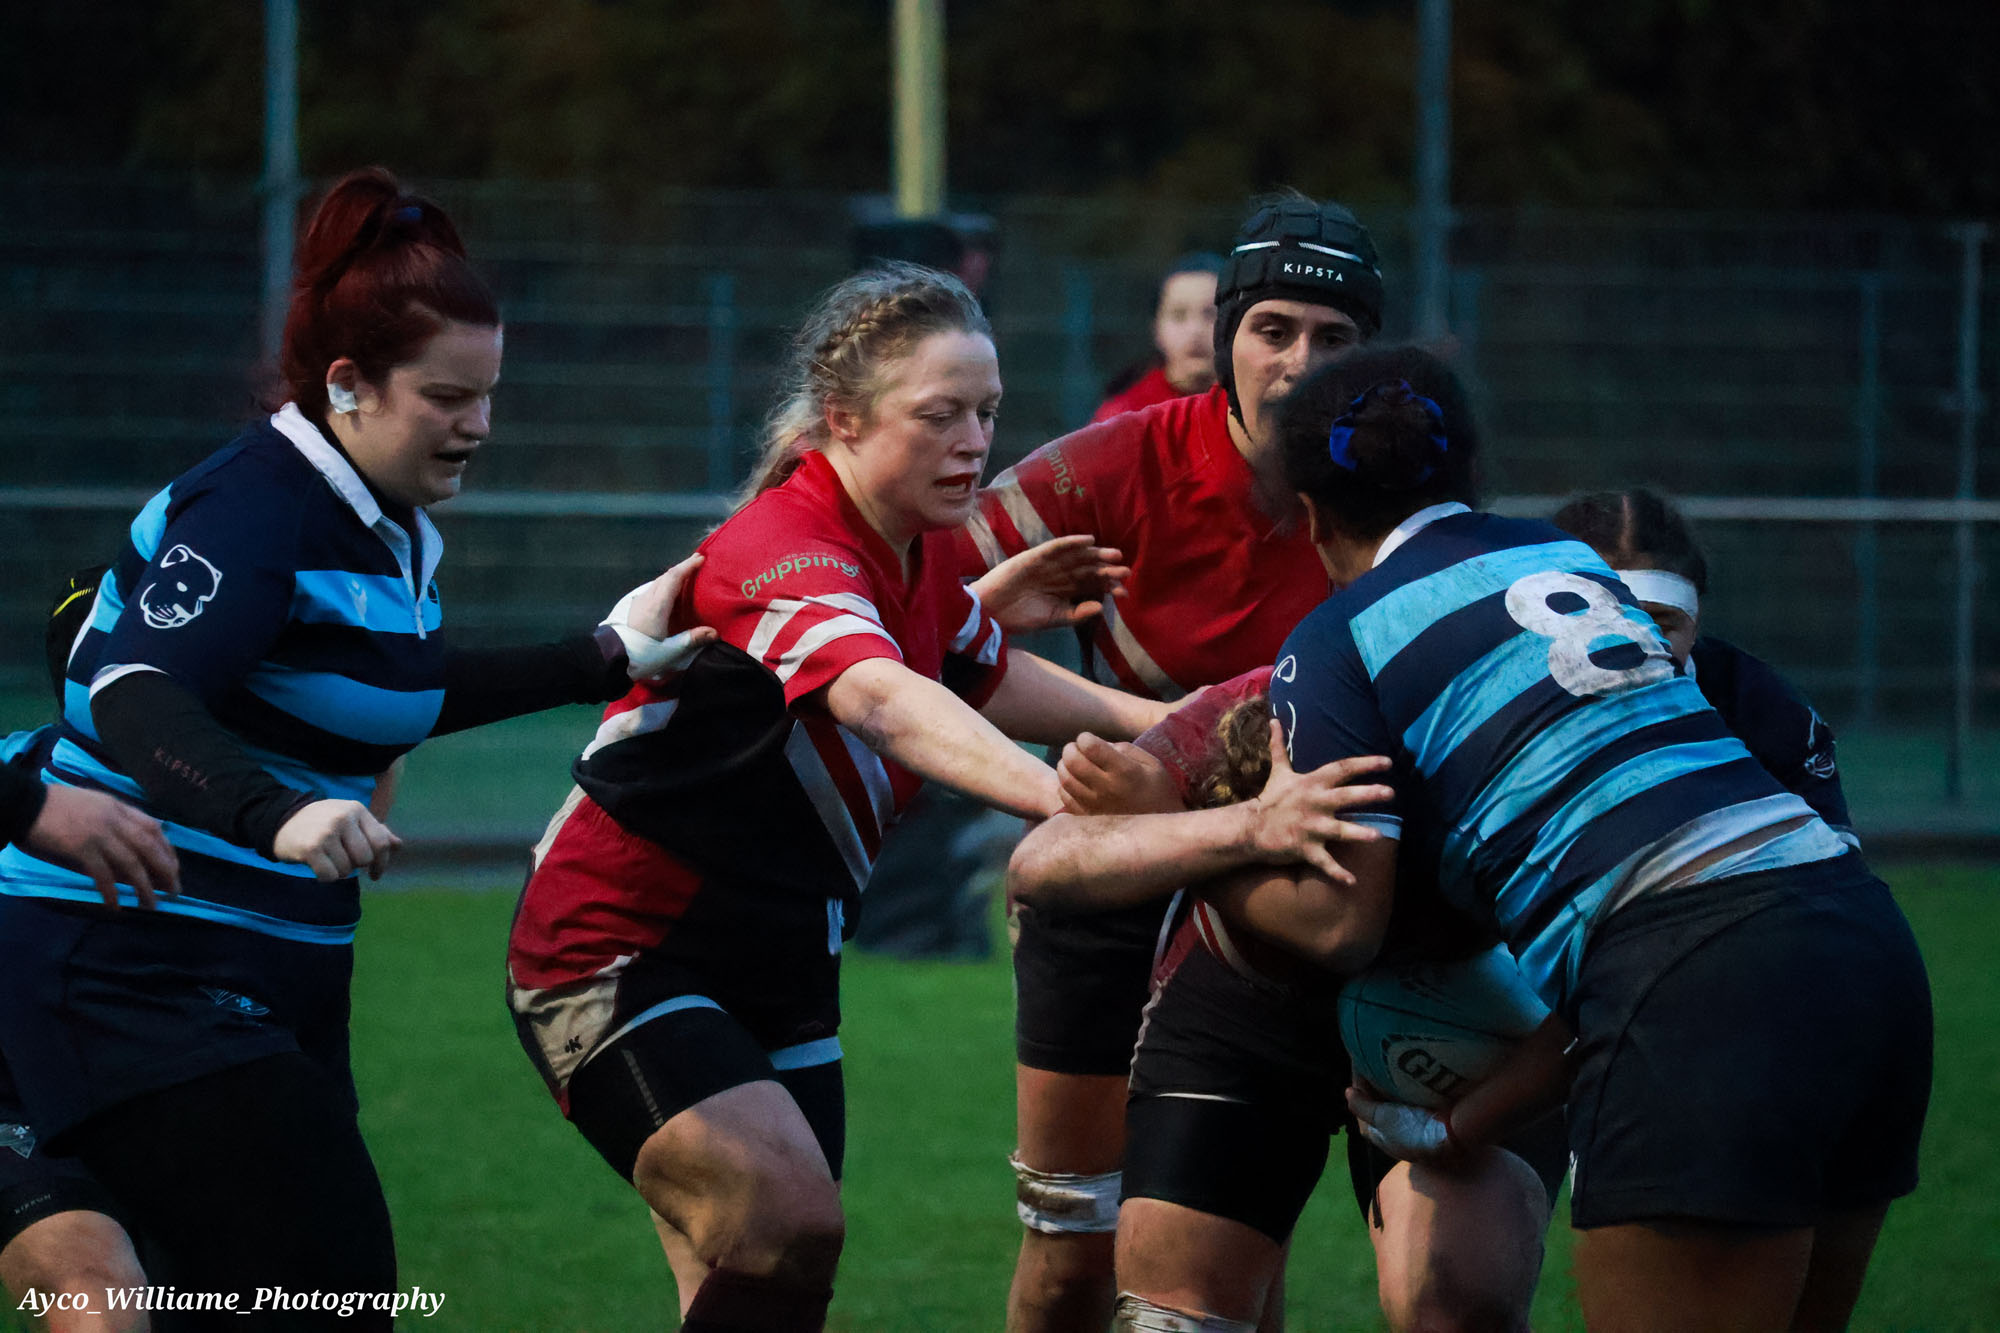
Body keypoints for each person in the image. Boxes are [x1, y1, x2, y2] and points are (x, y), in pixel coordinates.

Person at [504, 263, 1381, 1333]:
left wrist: (1181, 728)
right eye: (940, 415)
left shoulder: (909, 551)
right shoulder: (786, 545)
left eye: (987, 412)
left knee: (773, 1264)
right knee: (787, 1220)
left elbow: (986, 671)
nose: (974, 442)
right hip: (620, 947)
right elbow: (885, 700)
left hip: (786, 958)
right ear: (843, 418)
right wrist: (1080, 806)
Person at [1019, 343, 1932, 1331]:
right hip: (1862, 947)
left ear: (1310, 516)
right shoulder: (1573, 563)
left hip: (1692, 973)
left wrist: (1193, 833)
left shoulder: (1340, 635)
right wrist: (1463, 1124)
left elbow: (1339, 923)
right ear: (1465, 474)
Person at [0, 167, 708, 1328]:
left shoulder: (388, 527)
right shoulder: (259, 504)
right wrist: (277, 812)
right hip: (132, 960)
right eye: (446, 396)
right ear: (347, 386)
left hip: (270, 965)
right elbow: (135, 687)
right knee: (318, 1287)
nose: (478, 424)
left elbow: (391, 692)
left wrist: (606, 654)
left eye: (488, 394)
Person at [956, 191, 1383, 1333]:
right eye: (1272, 329)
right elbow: (916, 601)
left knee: (1232, 1268)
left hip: (1279, 900)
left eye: (1334, 336)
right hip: (1109, 882)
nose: (1299, 362)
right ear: (1226, 338)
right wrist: (989, 606)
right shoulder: (1122, 456)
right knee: (1069, 1249)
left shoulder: (1391, 494)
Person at [1550, 488, 1856, 844]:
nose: (1638, 645)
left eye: (1660, 624)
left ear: (1695, 624)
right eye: (1605, 624)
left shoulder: (1767, 714)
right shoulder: (1508, 708)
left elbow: (1833, 860)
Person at [1091, 253, 1223, 423]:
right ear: (1156, 328)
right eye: (1179, 315)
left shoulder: (1250, 410)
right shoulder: (1125, 416)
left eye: (1211, 314)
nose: (1195, 330)